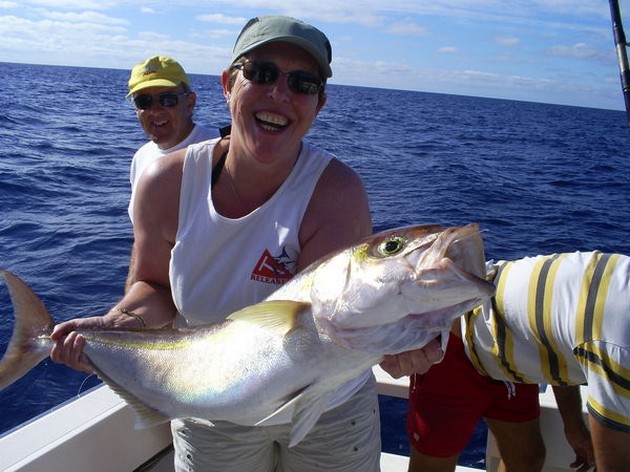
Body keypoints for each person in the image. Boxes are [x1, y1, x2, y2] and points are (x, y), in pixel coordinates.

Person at [50, 15, 442, 471]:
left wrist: (399, 336)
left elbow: (325, 329)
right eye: (261, 73)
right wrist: (120, 326)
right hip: (210, 400)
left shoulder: (336, 193)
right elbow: (154, 286)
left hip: (327, 410)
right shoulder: (164, 182)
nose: (279, 93)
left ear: (320, 104)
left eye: (302, 83)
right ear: (227, 84)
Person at [408, 251, 630, 472]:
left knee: (527, 459)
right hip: (456, 345)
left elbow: (562, 341)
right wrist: (573, 426)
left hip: (514, 347)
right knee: (433, 465)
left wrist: (573, 425)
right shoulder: (620, 346)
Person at [125, 55, 222, 288]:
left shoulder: (224, 150)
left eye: (167, 100)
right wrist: (129, 302)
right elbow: (142, 244)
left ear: (190, 102)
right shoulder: (141, 158)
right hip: (159, 304)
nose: (155, 111)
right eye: (144, 102)